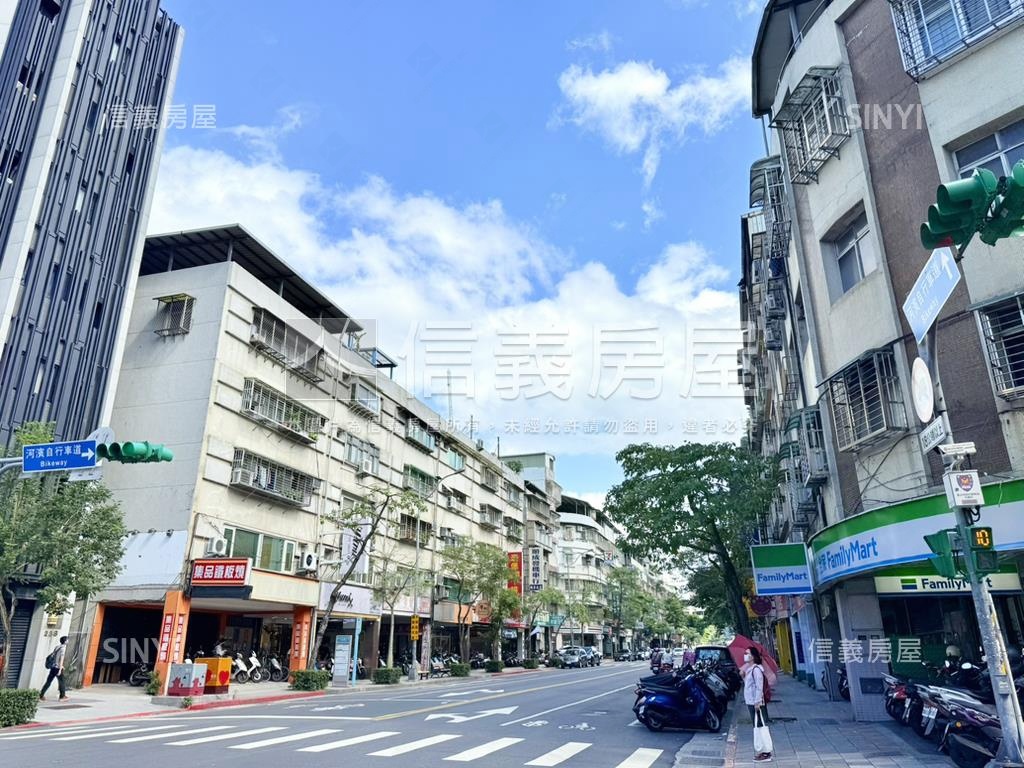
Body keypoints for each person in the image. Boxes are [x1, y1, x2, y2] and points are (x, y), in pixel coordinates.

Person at [743, 646, 772, 762]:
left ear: (753, 656)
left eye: (747, 653)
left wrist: (757, 702)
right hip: (751, 701)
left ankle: (766, 753)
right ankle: (762, 751)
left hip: (756, 702)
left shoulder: (756, 670)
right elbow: (750, 685)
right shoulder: (750, 669)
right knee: (757, 725)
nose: (745, 655)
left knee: (760, 726)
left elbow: (759, 687)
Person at [39, 635, 69, 701]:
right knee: (62, 682)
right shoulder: (63, 648)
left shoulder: (57, 647)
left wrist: (60, 666)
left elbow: (55, 657)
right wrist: (60, 669)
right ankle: (62, 697)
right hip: (57, 668)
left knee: (48, 681)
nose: (68, 641)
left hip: (53, 667)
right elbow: (61, 659)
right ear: (65, 641)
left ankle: (41, 695)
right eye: (67, 640)